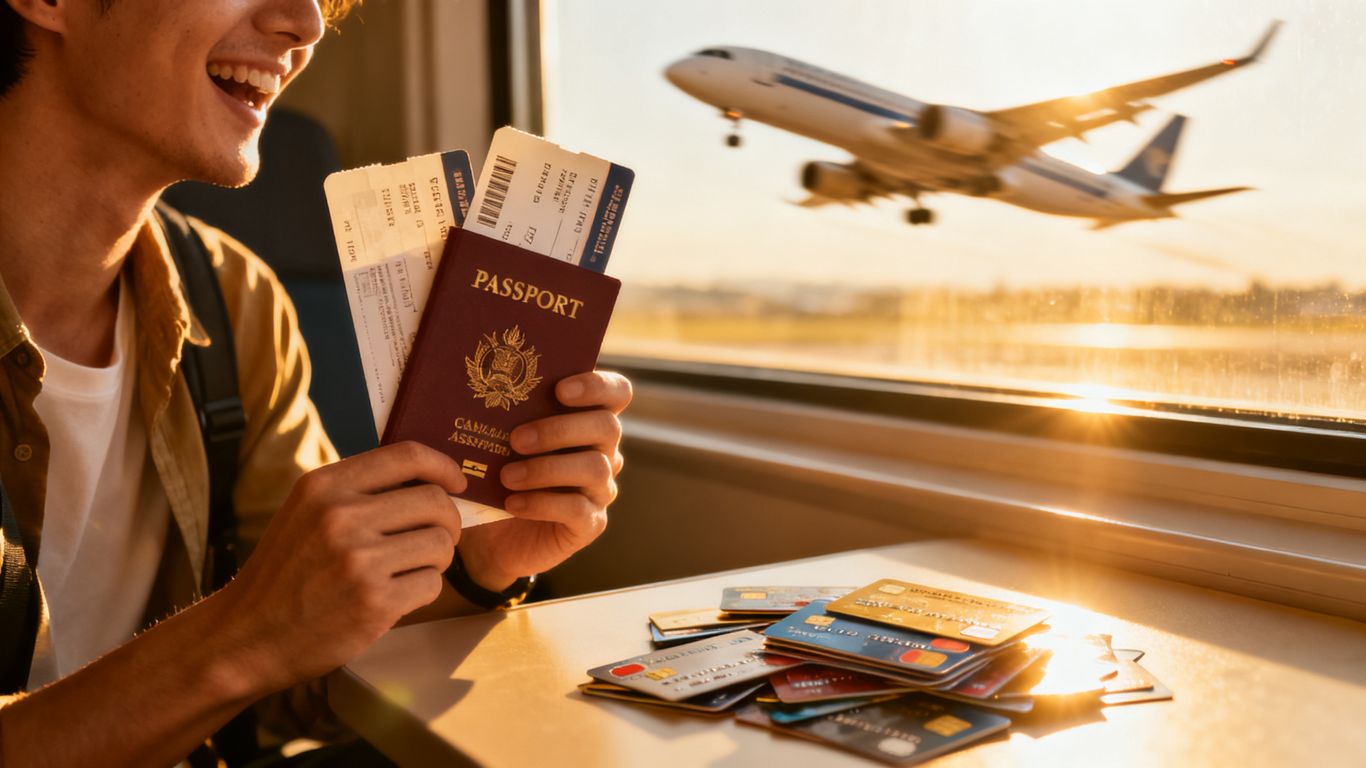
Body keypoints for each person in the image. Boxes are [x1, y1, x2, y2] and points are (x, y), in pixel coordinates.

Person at [0, 1, 631, 765]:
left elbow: (301, 674)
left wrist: (476, 564)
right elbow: (261, 640)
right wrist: (243, 631)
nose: (305, 24)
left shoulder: (235, 303)